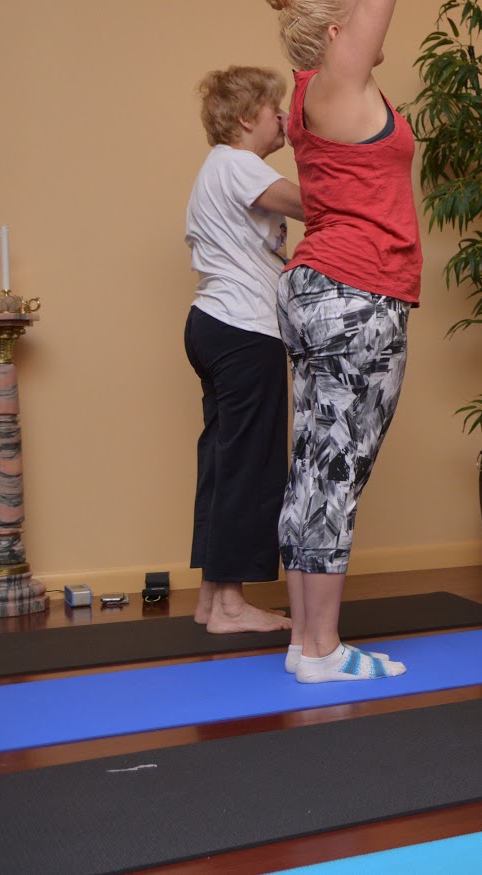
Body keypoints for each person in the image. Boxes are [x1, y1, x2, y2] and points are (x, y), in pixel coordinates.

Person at [259, 0, 418, 683]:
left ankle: (308, 643)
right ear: (333, 37)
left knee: (316, 461)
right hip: (359, 292)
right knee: (338, 464)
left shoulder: (307, 88)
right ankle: (319, 650)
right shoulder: (340, 78)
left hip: (318, 288)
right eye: (347, 17)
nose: (362, 16)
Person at [184, 66, 304, 635]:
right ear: (243, 119)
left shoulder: (220, 170)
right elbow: (313, 205)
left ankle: (212, 598)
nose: (282, 116)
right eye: (274, 107)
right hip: (242, 329)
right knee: (248, 466)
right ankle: (230, 606)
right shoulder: (238, 164)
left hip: (214, 325)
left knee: (224, 461)